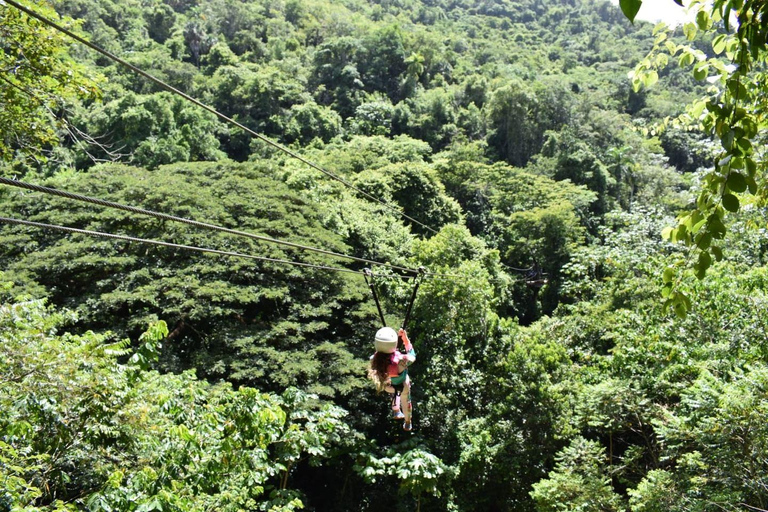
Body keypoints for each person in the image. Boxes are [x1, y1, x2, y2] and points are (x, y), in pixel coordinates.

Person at [368, 326, 416, 431]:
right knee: (406, 400)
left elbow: (383, 355)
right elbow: (412, 355)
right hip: (403, 386)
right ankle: (408, 422)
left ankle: (396, 410)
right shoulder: (401, 361)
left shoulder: (374, 360)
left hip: (388, 386)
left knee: (393, 390)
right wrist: (405, 339)